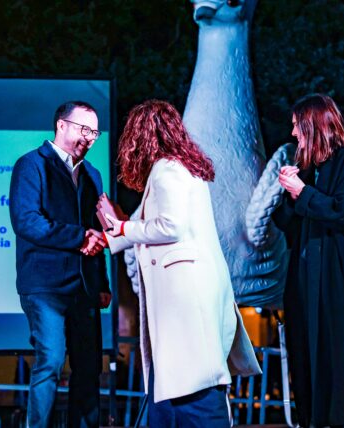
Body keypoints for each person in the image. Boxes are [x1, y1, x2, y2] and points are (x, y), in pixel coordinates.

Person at [102, 100, 259, 428]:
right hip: (191, 295)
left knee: (192, 388)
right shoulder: (183, 168)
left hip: (182, 298)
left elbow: (170, 226)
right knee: (178, 387)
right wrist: (113, 235)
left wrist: (122, 228)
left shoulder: (167, 170)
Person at [274, 94, 344, 428]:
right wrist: (291, 190)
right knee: (308, 362)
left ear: (313, 126)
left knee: (343, 363)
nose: (293, 134)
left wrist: (302, 193)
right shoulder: (310, 171)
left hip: (340, 286)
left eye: (297, 126)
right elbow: (285, 223)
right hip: (307, 286)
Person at [9, 100, 111, 428]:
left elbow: (97, 230)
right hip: (45, 286)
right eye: (84, 130)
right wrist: (79, 237)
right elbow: (27, 221)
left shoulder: (93, 174)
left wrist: (103, 282)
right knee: (50, 361)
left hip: (85, 286)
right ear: (61, 125)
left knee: (89, 367)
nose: (90, 138)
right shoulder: (31, 165)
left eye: (94, 133)